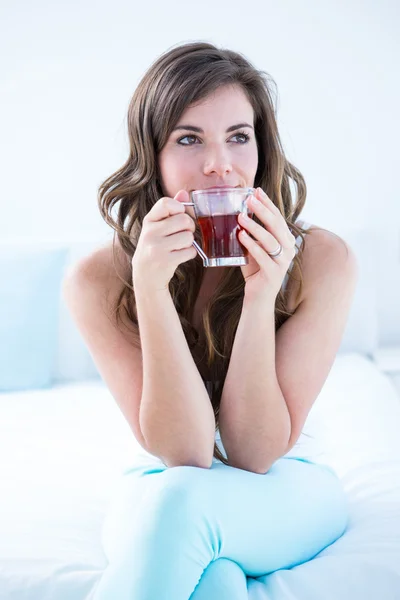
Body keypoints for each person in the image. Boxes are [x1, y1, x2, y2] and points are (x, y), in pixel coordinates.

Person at [64, 41, 358, 600]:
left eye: (239, 137)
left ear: (261, 150)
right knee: (213, 578)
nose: (220, 163)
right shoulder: (98, 280)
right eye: (189, 138)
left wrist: (259, 293)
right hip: (159, 477)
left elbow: (253, 453)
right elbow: (186, 454)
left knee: (182, 514)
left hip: (287, 478)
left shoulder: (322, 261)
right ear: (152, 153)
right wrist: (150, 288)